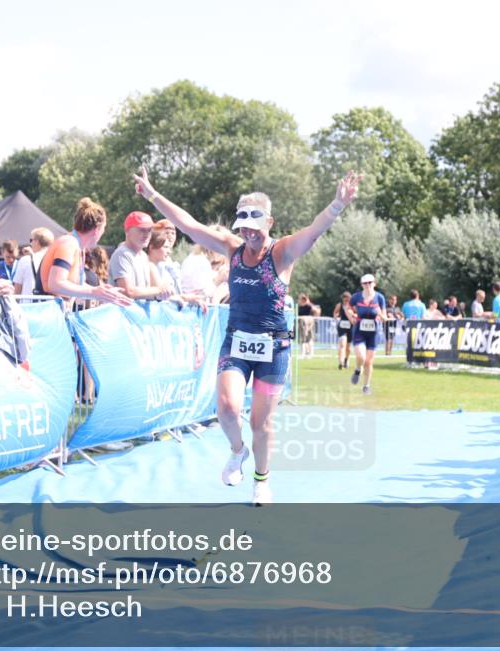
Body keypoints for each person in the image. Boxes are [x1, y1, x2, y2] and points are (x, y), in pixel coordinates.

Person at [132, 165, 360, 505]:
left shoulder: (282, 252)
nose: (249, 233)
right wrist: (152, 194)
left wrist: (337, 204)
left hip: (274, 348)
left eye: (256, 226)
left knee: (260, 423)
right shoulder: (232, 248)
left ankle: (261, 480)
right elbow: (188, 225)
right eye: (244, 226)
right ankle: (238, 451)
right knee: (226, 409)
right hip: (237, 343)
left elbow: (313, 231)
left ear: (269, 222)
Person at [38, 197, 131, 306]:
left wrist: (103, 292)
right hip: (46, 311)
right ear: (96, 230)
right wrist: (94, 292)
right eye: (104, 228)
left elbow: (75, 286)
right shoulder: (68, 243)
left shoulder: (78, 247)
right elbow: (55, 284)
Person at [109, 211, 172, 300]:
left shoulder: (143, 256)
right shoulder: (122, 254)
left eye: (149, 230)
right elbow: (128, 292)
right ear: (127, 231)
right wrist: (158, 290)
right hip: (123, 309)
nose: (147, 235)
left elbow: (146, 293)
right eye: (142, 230)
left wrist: (167, 294)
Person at [146, 229, 207, 310]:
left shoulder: (160, 267)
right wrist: (184, 298)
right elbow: (161, 296)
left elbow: (166, 296)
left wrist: (186, 298)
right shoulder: (150, 266)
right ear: (151, 247)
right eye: (165, 247)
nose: (169, 252)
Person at [349, 274, 387, 395]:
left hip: (373, 333)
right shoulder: (356, 297)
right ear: (362, 285)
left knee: (369, 362)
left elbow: (385, 318)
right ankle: (357, 369)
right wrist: (351, 316)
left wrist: (380, 314)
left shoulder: (380, 298)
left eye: (370, 282)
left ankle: (366, 386)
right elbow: (348, 308)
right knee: (361, 357)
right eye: (365, 283)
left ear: (374, 283)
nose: (368, 285)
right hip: (359, 331)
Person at [12, 227, 55, 296]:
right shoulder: (55, 260)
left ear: (37, 241)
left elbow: (18, 288)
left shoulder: (25, 260)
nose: (31, 243)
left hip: (29, 301)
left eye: (31, 240)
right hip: (50, 301)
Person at [333, 291, 356, 369]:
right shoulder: (339, 305)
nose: (346, 300)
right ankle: (341, 362)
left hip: (350, 327)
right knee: (342, 343)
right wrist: (336, 317)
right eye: (344, 298)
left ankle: (346, 359)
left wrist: (353, 315)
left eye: (348, 298)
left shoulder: (353, 306)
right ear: (342, 298)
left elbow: (357, 314)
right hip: (342, 326)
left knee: (348, 347)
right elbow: (335, 313)